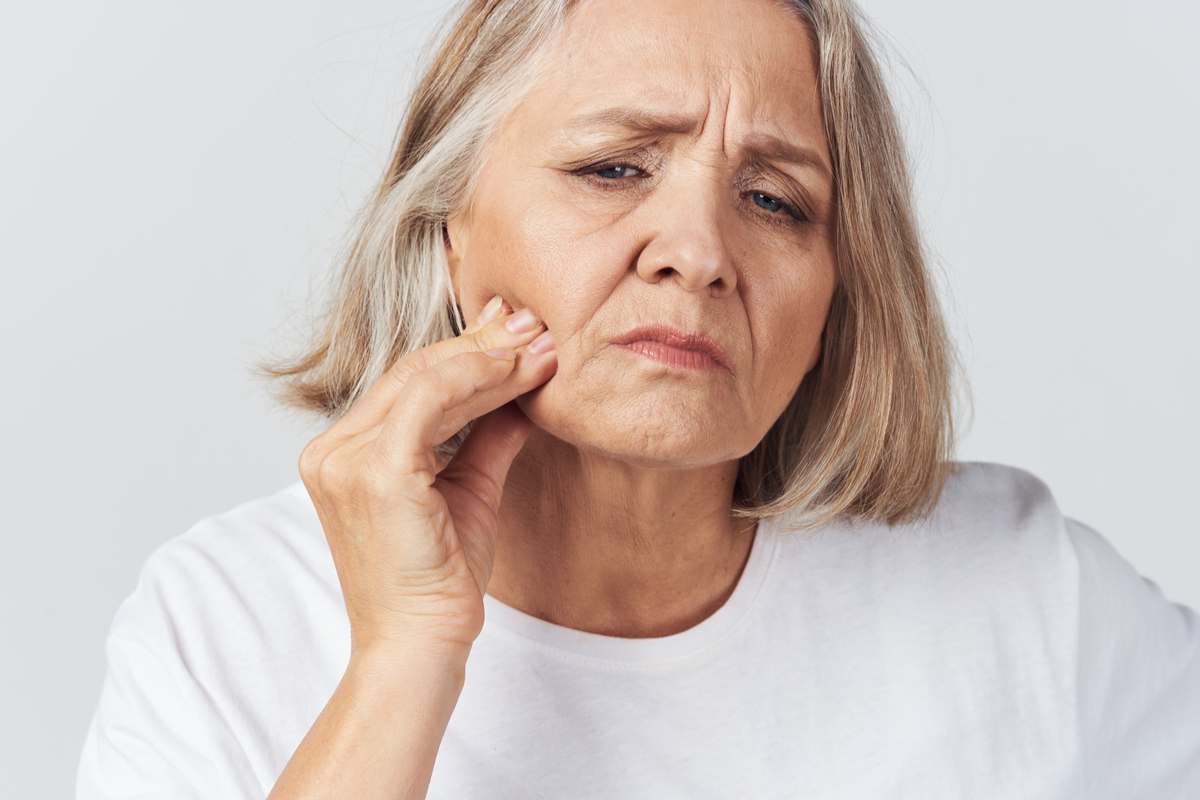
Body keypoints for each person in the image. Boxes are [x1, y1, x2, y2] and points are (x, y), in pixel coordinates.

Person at [77, 0, 1200, 796]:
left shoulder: (1033, 596)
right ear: (448, 224)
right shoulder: (221, 627)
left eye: (775, 199)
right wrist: (405, 653)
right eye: (614, 167)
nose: (699, 251)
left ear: (839, 291)